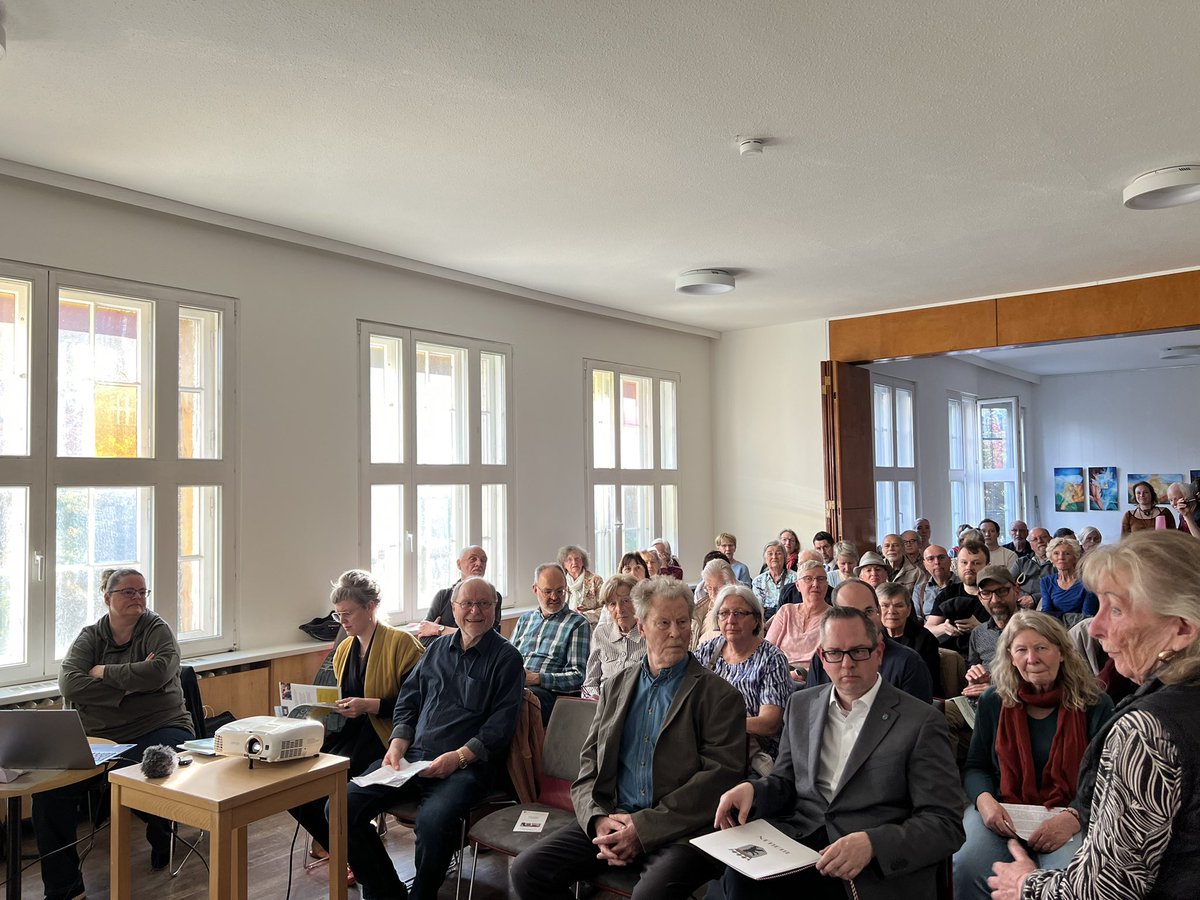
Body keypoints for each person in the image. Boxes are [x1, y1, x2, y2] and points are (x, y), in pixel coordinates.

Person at [988, 530, 1200, 899]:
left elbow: (1106, 887)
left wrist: (1024, 884)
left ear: (1181, 627)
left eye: (1115, 609)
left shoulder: (1150, 731)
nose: (1096, 627)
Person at [511, 577, 746, 900]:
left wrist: (643, 829)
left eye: (682, 622)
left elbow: (718, 780)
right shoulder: (617, 686)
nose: (676, 632)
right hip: (613, 815)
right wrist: (597, 820)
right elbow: (589, 763)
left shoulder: (719, 696)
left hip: (682, 832)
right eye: (664, 623)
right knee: (526, 871)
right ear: (642, 627)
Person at [714, 606, 966, 900]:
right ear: (822, 657)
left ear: (879, 653)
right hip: (800, 841)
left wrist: (873, 844)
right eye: (835, 653)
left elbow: (945, 823)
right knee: (738, 880)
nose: (846, 664)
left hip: (868, 864)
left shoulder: (920, 721)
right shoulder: (801, 705)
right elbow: (784, 781)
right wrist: (753, 791)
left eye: (858, 651)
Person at [341, 576, 524, 900]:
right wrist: (398, 743)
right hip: (413, 757)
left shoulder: (507, 658)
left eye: (484, 603)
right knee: (340, 806)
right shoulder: (436, 649)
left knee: (433, 821)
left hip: (466, 768)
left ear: (495, 608)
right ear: (453, 608)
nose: (475, 611)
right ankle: (387, 891)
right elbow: (408, 701)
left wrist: (458, 758)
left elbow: (500, 727)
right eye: (466, 603)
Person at [34, 568, 195, 900]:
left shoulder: (157, 629)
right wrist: (130, 689)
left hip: (160, 725)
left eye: (142, 592)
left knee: (139, 771)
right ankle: (64, 887)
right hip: (98, 736)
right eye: (128, 592)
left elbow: (161, 671)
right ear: (107, 597)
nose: (137, 598)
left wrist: (104, 672)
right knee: (48, 795)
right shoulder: (90, 636)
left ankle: (161, 825)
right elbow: (69, 683)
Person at [954, 611, 1113, 900]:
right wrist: (985, 801)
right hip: (1004, 810)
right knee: (966, 864)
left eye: (1041, 648)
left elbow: (1105, 778)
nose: (1032, 658)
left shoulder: (1095, 702)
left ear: (1062, 653)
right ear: (1011, 657)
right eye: (1021, 650)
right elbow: (976, 766)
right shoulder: (994, 700)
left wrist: (1075, 815)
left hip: (1070, 812)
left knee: (1066, 876)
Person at [290, 570, 425, 857]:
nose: (342, 622)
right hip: (350, 733)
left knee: (337, 789)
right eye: (338, 615)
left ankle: (350, 854)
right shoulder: (344, 650)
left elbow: (417, 704)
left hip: (387, 738)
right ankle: (342, 852)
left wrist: (369, 705)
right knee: (293, 789)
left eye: (348, 613)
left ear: (371, 606)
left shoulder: (402, 644)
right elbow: (342, 700)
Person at [696, 585, 792, 771]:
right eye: (723, 613)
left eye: (739, 613)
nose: (731, 620)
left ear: (756, 620)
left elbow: (769, 723)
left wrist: (720, 725)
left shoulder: (771, 658)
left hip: (751, 753)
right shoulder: (708, 650)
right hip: (706, 745)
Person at [805, 578, 933, 703]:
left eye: (868, 612)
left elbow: (917, 720)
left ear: (879, 611)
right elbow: (811, 712)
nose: (863, 622)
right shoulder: (824, 657)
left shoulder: (908, 663)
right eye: (851, 614)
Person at [510, 563, 592, 725]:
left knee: (516, 701)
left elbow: (579, 677)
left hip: (548, 693)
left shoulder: (577, 624)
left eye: (560, 591)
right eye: (548, 591)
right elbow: (508, 659)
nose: (555, 597)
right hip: (516, 684)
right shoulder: (525, 620)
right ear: (535, 589)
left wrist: (538, 678)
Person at [765, 560, 831, 683]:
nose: (815, 584)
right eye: (808, 579)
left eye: (821, 579)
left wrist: (800, 674)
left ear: (826, 586)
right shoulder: (786, 611)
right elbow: (767, 650)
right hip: (778, 675)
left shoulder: (833, 617)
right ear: (797, 586)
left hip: (812, 680)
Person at [418, 545, 502, 641]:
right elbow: (424, 636)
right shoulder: (443, 596)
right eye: (473, 559)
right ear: (459, 564)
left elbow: (486, 638)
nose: (479, 563)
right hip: (442, 655)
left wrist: (439, 629)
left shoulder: (492, 597)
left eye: (483, 560)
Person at [581, 574, 645, 699]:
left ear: (638, 602)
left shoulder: (649, 636)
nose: (619, 609)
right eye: (612, 604)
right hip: (602, 707)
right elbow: (590, 682)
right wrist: (594, 696)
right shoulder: (600, 634)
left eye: (626, 601)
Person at [876, 582, 942, 697]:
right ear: (877, 610)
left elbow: (927, 685)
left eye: (899, 606)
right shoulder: (873, 638)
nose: (891, 611)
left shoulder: (925, 640)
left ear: (909, 609)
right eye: (885, 606)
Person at [926, 539, 990, 655]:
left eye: (976, 563)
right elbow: (928, 629)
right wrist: (944, 628)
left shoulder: (996, 595)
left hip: (986, 655)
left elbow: (1008, 634)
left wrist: (979, 628)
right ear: (957, 564)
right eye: (964, 562)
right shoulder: (947, 594)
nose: (969, 568)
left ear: (987, 566)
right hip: (950, 657)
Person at [1039, 537, 1097, 623]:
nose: (1061, 557)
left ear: (1075, 557)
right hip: (1055, 628)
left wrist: (1059, 616)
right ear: (1051, 558)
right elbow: (1047, 613)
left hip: (1081, 630)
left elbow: (1087, 617)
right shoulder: (1046, 582)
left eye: (1067, 553)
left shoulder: (1087, 581)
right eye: (1056, 553)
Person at [692, 557, 738, 649]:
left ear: (732, 584)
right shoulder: (699, 610)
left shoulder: (745, 612)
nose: (713, 594)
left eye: (718, 589)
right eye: (709, 588)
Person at [558, 544, 604, 624]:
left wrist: (584, 616)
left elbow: (605, 609)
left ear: (583, 562)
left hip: (589, 625)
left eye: (577, 559)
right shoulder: (560, 582)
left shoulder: (595, 580)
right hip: (566, 624)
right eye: (569, 560)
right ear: (564, 564)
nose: (574, 562)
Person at [751, 539, 795, 619]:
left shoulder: (795, 578)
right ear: (765, 558)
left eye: (778, 553)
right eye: (770, 554)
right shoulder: (758, 581)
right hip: (764, 618)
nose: (774, 557)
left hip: (787, 617)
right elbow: (757, 607)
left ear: (785, 557)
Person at [1013, 527, 1053, 607]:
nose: (1040, 541)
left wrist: (1035, 598)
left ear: (1051, 539)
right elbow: (1008, 582)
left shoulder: (1060, 562)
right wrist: (1022, 597)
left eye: (1043, 537)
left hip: (1049, 605)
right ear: (1031, 545)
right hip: (1021, 603)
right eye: (1035, 539)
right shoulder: (1021, 562)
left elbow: (1063, 587)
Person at [917, 543, 958, 618]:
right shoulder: (919, 590)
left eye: (941, 557)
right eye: (930, 559)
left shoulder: (964, 585)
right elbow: (916, 618)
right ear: (925, 564)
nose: (937, 562)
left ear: (949, 561)